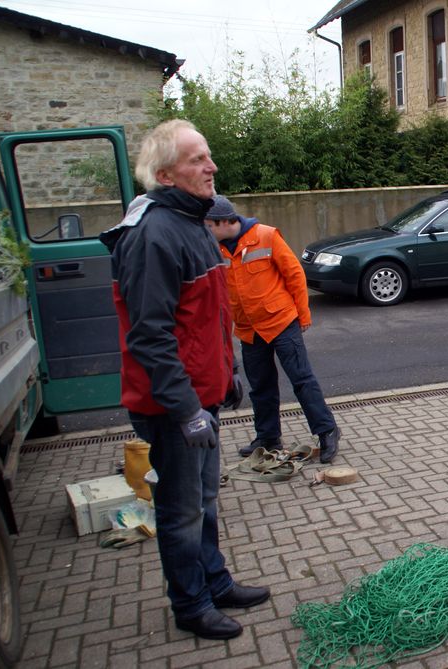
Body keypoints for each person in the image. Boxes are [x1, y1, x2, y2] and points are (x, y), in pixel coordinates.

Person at [99, 119, 268, 641]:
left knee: (205, 501)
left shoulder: (193, 223)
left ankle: (214, 582)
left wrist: (229, 373)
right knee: (181, 511)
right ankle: (191, 605)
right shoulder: (152, 235)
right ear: (167, 174)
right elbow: (150, 336)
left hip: (202, 395)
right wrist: (185, 408)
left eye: (209, 156)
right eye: (198, 159)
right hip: (173, 407)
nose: (211, 166)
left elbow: (206, 318)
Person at [204, 195, 341, 463]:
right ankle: (268, 436)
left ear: (223, 222)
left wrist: (303, 315)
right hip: (248, 328)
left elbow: (295, 274)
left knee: (302, 380)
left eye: (208, 226)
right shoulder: (215, 249)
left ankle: (327, 431)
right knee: (260, 386)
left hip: (281, 321)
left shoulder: (265, 236)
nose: (205, 231)